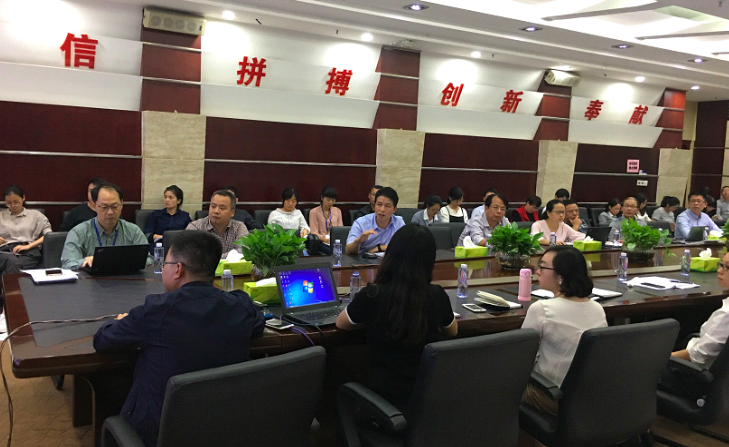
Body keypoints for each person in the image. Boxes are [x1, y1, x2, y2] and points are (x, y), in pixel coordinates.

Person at [93, 230, 265, 447]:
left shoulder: (156, 311)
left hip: (160, 434)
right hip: (225, 428)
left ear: (178, 269)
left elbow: (103, 340)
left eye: (165, 263)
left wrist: (120, 321)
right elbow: (258, 324)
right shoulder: (240, 305)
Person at [336, 224, 457, 407]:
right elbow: (452, 331)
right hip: (425, 402)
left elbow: (341, 323)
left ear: (391, 256)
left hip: (383, 402)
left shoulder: (373, 294)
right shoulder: (436, 294)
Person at [521, 246, 607, 415]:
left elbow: (522, 359)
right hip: (590, 397)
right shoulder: (598, 308)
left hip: (552, 395)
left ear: (561, 277)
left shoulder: (542, 309)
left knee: (498, 383)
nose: (537, 271)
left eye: (543, 267)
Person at [658, 251, 729, 400]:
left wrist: (659, 359)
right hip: (717, 381)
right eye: (721, 265)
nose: (719, 270)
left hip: (697, 380)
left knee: (638, 368)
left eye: (727, 267)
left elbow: (698, 356)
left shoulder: (726, 315)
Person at [61, 183, 148, 270]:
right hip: (91, 278)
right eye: (104, 207)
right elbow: (68, 264)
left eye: (114, 206)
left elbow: (148, 259)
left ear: (121, 204)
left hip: (125, 277)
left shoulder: (133, 231)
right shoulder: (78, 232)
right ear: (94, 206)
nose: (110, 212)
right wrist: (86, 262)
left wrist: (120, 261)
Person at [0, 186, 52, 274]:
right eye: (9, 203)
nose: (12, 206)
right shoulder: (1, 216)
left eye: (16, 202)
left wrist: (28, 246)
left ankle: (5, 282)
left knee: (13, 265)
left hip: (28, 252)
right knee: (12, 262)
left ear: (23, 198)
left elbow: (48, 236)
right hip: (4, 252)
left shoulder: (36, 215)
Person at [186, 190, 248, 258]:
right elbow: (191, 255)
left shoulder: (239, 227)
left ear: (232, 212)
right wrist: (230, 256)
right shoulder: (195, 227)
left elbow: (243, 251)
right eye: (213, 206)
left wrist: (212, 258)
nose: (216, 211)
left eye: (222, 208)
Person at [346, 187, 405, 254]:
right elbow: (348, 251)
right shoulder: (361, 222)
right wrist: (358, 242)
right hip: (364, 259)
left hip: (389, 259)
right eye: (379, 204)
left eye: (387, 206)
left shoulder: (399, 222)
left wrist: (379, 248)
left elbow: (405, 247)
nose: (382, 209)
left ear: (394, 209)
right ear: (374, 206)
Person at [309, 186, 343, 255]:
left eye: (333, 200)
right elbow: (314, 232)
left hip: (335, 241)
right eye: (328, 200)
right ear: (322, 198)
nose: (330, 202)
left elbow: (340, 228)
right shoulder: (314, 212)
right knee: (335, 252)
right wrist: (325, 240)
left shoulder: (337, 211)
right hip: (321, 242)